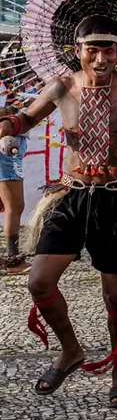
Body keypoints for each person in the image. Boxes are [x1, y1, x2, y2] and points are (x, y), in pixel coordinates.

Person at [2, 15, 117, 406]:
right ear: (78, 51)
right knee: (38, 281)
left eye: (109, 49)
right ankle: (71, 351)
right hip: (70, 198)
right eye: (93, 48)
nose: (101, 57)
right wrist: (7, 128)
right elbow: (26, 118)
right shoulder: (62, 86)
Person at [0, 64, 33, 275]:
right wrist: (13, 111)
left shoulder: (12, 82)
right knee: (15, 204)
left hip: (12, 143)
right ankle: (13, 261)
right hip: (5, 146)